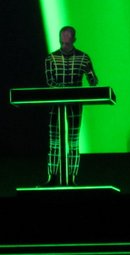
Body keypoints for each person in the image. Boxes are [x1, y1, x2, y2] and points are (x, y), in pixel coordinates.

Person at [44, 26, 98, 186]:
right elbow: (50, 82)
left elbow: (93, 82)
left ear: (74, 38)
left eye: (68, 34)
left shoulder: (84, 58)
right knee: (54, 140)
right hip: (56, 104)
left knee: (73, 140)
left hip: (75, 104)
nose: (64, 37)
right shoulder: (51, 58)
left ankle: (72, 178)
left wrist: (89, 73)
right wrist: (65, 89)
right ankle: (52, 177)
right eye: (62, 34)